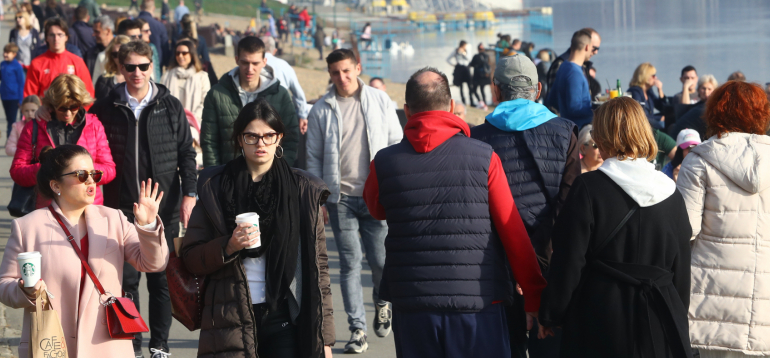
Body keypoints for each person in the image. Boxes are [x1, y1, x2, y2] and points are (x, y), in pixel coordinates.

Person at [362, 67, 546, 358]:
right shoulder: (483, 156)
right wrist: (534, 294)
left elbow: (376, 209)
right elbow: (512, 231)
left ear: (408, 111)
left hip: (412, 303)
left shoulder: (384, 162)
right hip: (478, 302)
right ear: (450, 106)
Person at [537, 97, 693, 358]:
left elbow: (568, 260)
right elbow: (681, 272)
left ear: (603, 135)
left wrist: (551, 314)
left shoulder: (588, 188)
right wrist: (676, 316)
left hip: (599, 317)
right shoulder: (671, 193)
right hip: (658, 317)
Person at [181, 99, 335, 358]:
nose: (260, 143)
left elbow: (319, 270)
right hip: (230, 316)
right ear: (239, 139)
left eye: (268, 136)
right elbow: (191, 258)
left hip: (284, 315)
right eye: (251, 136)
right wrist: (228, 246)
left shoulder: (302, 190)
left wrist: (325, 340)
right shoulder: (215, 188)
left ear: (279, 138)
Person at [677, 81, 770, 358]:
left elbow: (684, 231)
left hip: (712, 310)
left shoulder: (699, 160)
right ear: (762, 115)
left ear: (715, 113)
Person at [0, 145, 168, 358]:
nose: (90, 180)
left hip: (107, 347)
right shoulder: (28, 227)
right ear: (56, 185)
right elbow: (3, 284)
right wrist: (25, 290)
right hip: (52, 345)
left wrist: (148, 226)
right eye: (82, 175)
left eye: (94, 174)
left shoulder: (114, 219)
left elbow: (153, 263)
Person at [90, 39, 198, 358]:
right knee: (127, 281)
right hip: (121, 206)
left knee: (162, 280)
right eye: (129, 67)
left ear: (153, 66)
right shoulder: (106, 105)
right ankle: (133, 343)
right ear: (120, 68)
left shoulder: (170, 104)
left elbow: (186, 155)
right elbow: (83, 134)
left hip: (163, 206)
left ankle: (160, 345)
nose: (137, 73)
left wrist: (190, 194)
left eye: (143, 66)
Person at [470, 53, 579, 358]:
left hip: (497, 270)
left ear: (495, 90)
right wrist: (542, 262)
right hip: (551, 266)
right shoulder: (565, 131)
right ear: (538, 89)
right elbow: (569, 205)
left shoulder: (476, 138)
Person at [306, 48, 403, 353]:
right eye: (335, 72)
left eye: (347, 71)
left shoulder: (379, 100)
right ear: (330, 74)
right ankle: (357, 329)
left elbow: (395, 141)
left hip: (376, 196)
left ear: (358, 68)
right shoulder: (322, 108)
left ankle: (382, 300)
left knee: (380, 261)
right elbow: (313, 157)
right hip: (340, 199)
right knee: (349, 263)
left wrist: (392, 186)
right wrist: (318, 200)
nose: (342, 77)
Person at [10, 74, 116, 208]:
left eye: (73, 107)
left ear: (81, 103)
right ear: (52, 104)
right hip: (48, 208)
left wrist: (82, 171)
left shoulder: (94, 125)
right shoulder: (34, 127)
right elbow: (17, 171)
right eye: (61, 108)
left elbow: (109, 170)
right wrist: (46, 169)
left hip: (88, 207)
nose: (68, 113)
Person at [201, 36, 299, 168]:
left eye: (255, 63)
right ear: (237, 60)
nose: (250, 69)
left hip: (271, 177)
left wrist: (280, 173)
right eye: (245, 62)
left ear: (264, 62)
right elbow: (209, 141)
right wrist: (215, 177)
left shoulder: (281, 95)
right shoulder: (216, 95)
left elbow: (291, 139)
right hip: (228, 177)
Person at [24, 17, 94, 99]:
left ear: (66, 37)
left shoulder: (77, 62)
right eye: (52, 35)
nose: (56, 39)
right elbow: (30, 96)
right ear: (46, 38)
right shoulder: (37, 63)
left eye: (60, 35)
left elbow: (88, 93)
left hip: (71, 110)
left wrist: (79, 111)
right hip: (45, 110)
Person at [544, 30, 594, 128]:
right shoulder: (574, 73)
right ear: (587, 47)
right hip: (579, 130)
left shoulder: (563, 66)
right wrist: (598, 110)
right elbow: (574, 108)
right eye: (592, 48)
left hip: (567, 127)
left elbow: (551, 100)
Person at [263, 39, 311, 135]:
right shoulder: (284, 65)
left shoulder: (252, 65)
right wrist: (302, 115)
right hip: (281, 115)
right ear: (275, 51)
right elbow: (298, 93)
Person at [160, 39, 211, 124]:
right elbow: (161, 99)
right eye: (177, 53)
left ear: (192, 54)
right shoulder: (167, 75)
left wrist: (192, 118)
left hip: (194, 123)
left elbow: (206, 101)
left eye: (184, 53)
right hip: (170, 123)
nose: (180, 56)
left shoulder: (202, 77)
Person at [669, 74, 718, 140]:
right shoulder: (700, 110)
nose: (706, 92)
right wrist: (685, 87)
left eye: (709, 89)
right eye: (703, 88)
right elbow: (684, 107)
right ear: (698, 90)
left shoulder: (700, 107)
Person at [627, 62, 665, 129]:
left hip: (651, 123)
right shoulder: (634, 92)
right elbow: (640, 115)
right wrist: (659, 118)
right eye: (653, 76)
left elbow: (661, 107)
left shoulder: (648, 91)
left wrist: (660, 90)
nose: (656, 78)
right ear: (645, 77)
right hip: (643, 127)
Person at [93, 35, 131, 100]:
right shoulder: (103, 81)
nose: (119, 58)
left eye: (123, 53)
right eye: (115, 54)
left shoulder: (140, 76)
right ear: (111, 56)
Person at [137, 0, 169, 70]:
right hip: (155, 65)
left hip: (135, 66)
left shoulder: (132, 24)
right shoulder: (160, 25)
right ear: (154, 8)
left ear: (140, 6)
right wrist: (166, 63)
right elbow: (165, 47)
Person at [0, 43, 25, 132]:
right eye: (4, 52)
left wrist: (21, 100)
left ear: (14, 54)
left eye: (8, 52)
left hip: (14, 97)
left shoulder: (17, 66)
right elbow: (1, 76)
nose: (5, 54)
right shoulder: (2, 64)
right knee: (9, 119)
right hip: (4, 96)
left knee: (12, 121)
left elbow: (21, 83)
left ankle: (10, 139)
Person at [85, 15, 115, 79]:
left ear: (108, 31)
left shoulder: (119, 52)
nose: (93, 34)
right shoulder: (90, 53)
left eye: (97, 32)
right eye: (94, 31)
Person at [447, 40, 473, 105]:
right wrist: (453, 64)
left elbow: (469, 59)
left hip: (466, 68)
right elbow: (448, 59)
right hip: (459, 69)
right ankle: (463, 101)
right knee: (461, 87)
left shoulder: (467, 51)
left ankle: (471, 101)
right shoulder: (455, 51)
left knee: (470, 85)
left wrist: (463, 53)